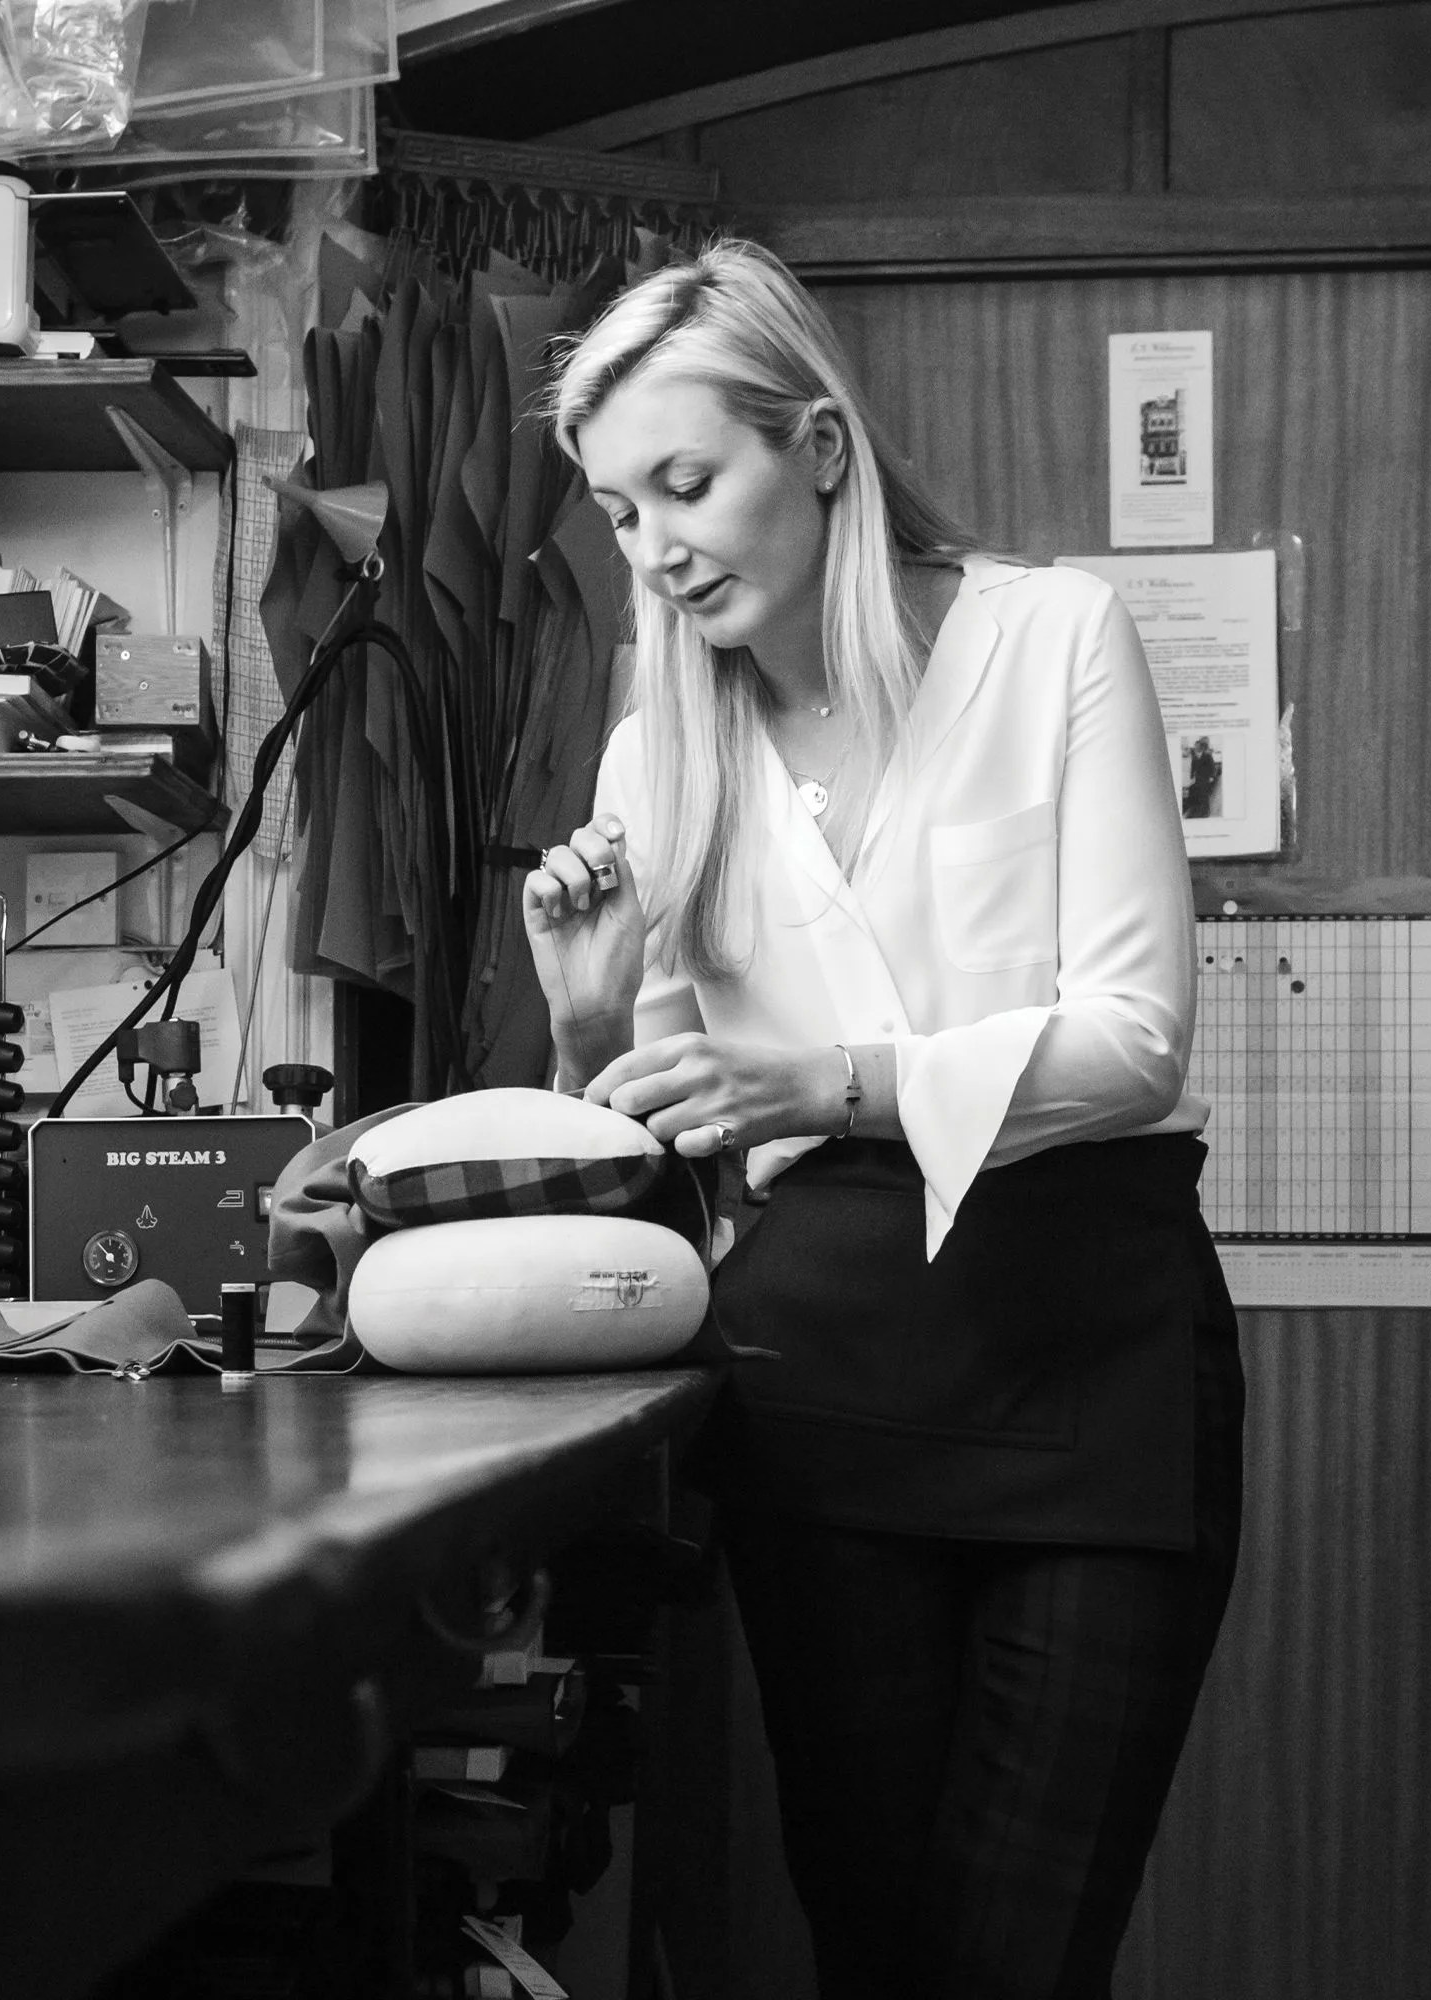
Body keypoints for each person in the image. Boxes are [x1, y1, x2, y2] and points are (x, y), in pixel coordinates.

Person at [521, 240, 1243, 1999]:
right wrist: (591, 1025)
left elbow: (1135, 1041)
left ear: (821, 443)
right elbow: (660, 1168)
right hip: (819, 1404)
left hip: (1088, 1372)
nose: (657, 546)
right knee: (874, 1950)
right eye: (619, 512)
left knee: (1015, 1957)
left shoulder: (1049, 639)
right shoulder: (653, 755)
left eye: (687, 483)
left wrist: (836, 1084)